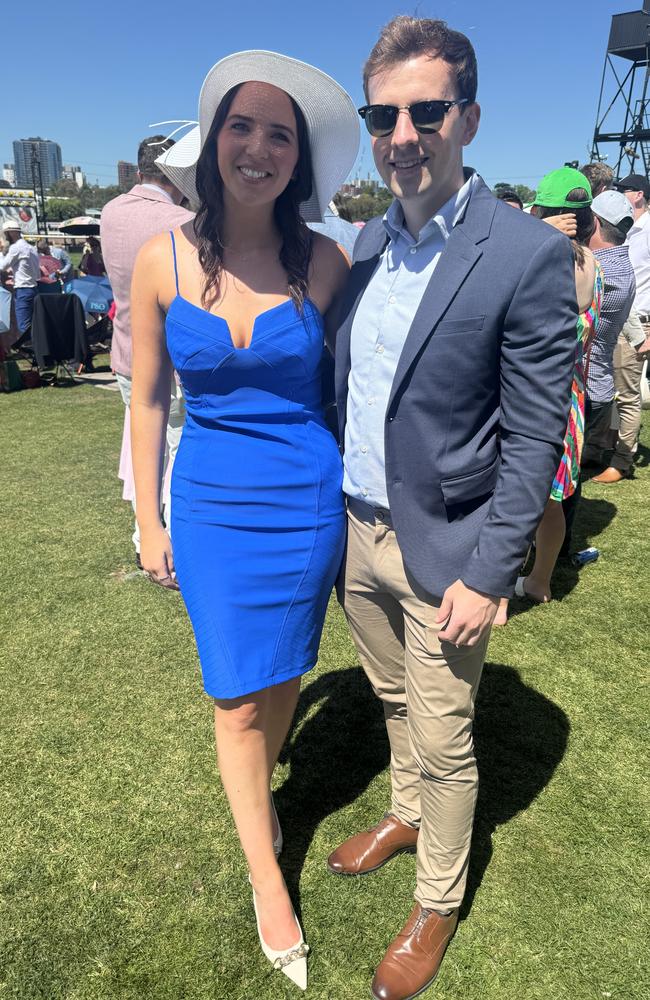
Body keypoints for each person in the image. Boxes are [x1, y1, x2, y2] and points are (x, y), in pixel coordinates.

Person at [328, 18, 577, 1000]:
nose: (402, 132)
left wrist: (492, 568)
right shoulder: (364, 238)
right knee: (389, 703)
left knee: (444, 737)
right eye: (382, 113)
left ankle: (436, 897)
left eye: (425, 110)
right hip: (360, 532)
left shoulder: (521, 253)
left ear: (465, 117)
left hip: (449, 552)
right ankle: (401, 813)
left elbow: (533, 433)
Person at [130, 51, 358, 990]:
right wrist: (149, 519)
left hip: (304, 500)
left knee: (282, 678)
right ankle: (269, 875)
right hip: (215, 505)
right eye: (242, 126)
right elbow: (147, 401)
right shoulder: (161, 257)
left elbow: (355, 392)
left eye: (279, 134)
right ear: (213, 139)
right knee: (234, 695)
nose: (257, 148)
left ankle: (258, 796)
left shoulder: (328, 260)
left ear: (296, 159)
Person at [506, 169, 602, 607]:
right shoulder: (594, 263)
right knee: (552, 501)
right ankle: (540, 580)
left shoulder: (539, 257)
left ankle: (500, 594)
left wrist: (532, 232)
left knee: (510, 496)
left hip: (530, 395)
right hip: (572, 397)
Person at [101, 136, 194, 565]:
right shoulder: (182, 221)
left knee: (144, 444)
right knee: (177, 446)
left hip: (124, 352)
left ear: (139, 173)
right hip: (170, 358)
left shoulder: (110, 213)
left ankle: (144, 534)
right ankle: (170, 536)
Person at [593, 172, 650, 482]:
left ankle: (622, 460)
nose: (621, 194)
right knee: (607, 387)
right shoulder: (626, 229)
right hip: (617, 317)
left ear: (639, 194)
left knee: (627, 395)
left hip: (638, 320)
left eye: (626, 189)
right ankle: (596, 448)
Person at [581, 191, 636, 465]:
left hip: (584, 389)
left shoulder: (600, 269)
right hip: (599, 386)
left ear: (594, 221)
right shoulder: (622, 264)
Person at [0, 220, 40, 340]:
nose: (4, 237)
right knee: (33, 323)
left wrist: (1, 251)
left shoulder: (15, 248)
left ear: (11, 233)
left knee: (23, 324)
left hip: (23, 290)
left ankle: (30, 349)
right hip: (34, 288)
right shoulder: (31, 248)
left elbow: (2, 266)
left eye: (5, 233)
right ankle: (38, 348)